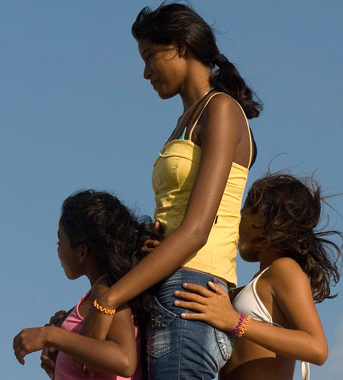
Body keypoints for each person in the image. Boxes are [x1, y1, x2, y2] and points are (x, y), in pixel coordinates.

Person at [77, 3, 263, 379]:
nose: (145, 72)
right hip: (171, 286)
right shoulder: (186, 119)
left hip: (193, 289)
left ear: (178, 46)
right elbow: (180, 220)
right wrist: (154, 242)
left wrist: (112, 298)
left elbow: (197, 229)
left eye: (149, 57)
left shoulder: (221, 109)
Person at [174, 173, 342, 379]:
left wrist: (236, 321)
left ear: (260, 221)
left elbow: (317, 348)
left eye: (242, 216)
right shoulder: (259, 281)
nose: (237, 226)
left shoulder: (284, 269)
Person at [13, 190, 152, 379]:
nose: (58, 251)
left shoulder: (106, 293)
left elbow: (124, 361)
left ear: (82, 252)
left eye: (60, 242)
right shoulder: (96, 299)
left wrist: (51, 335)